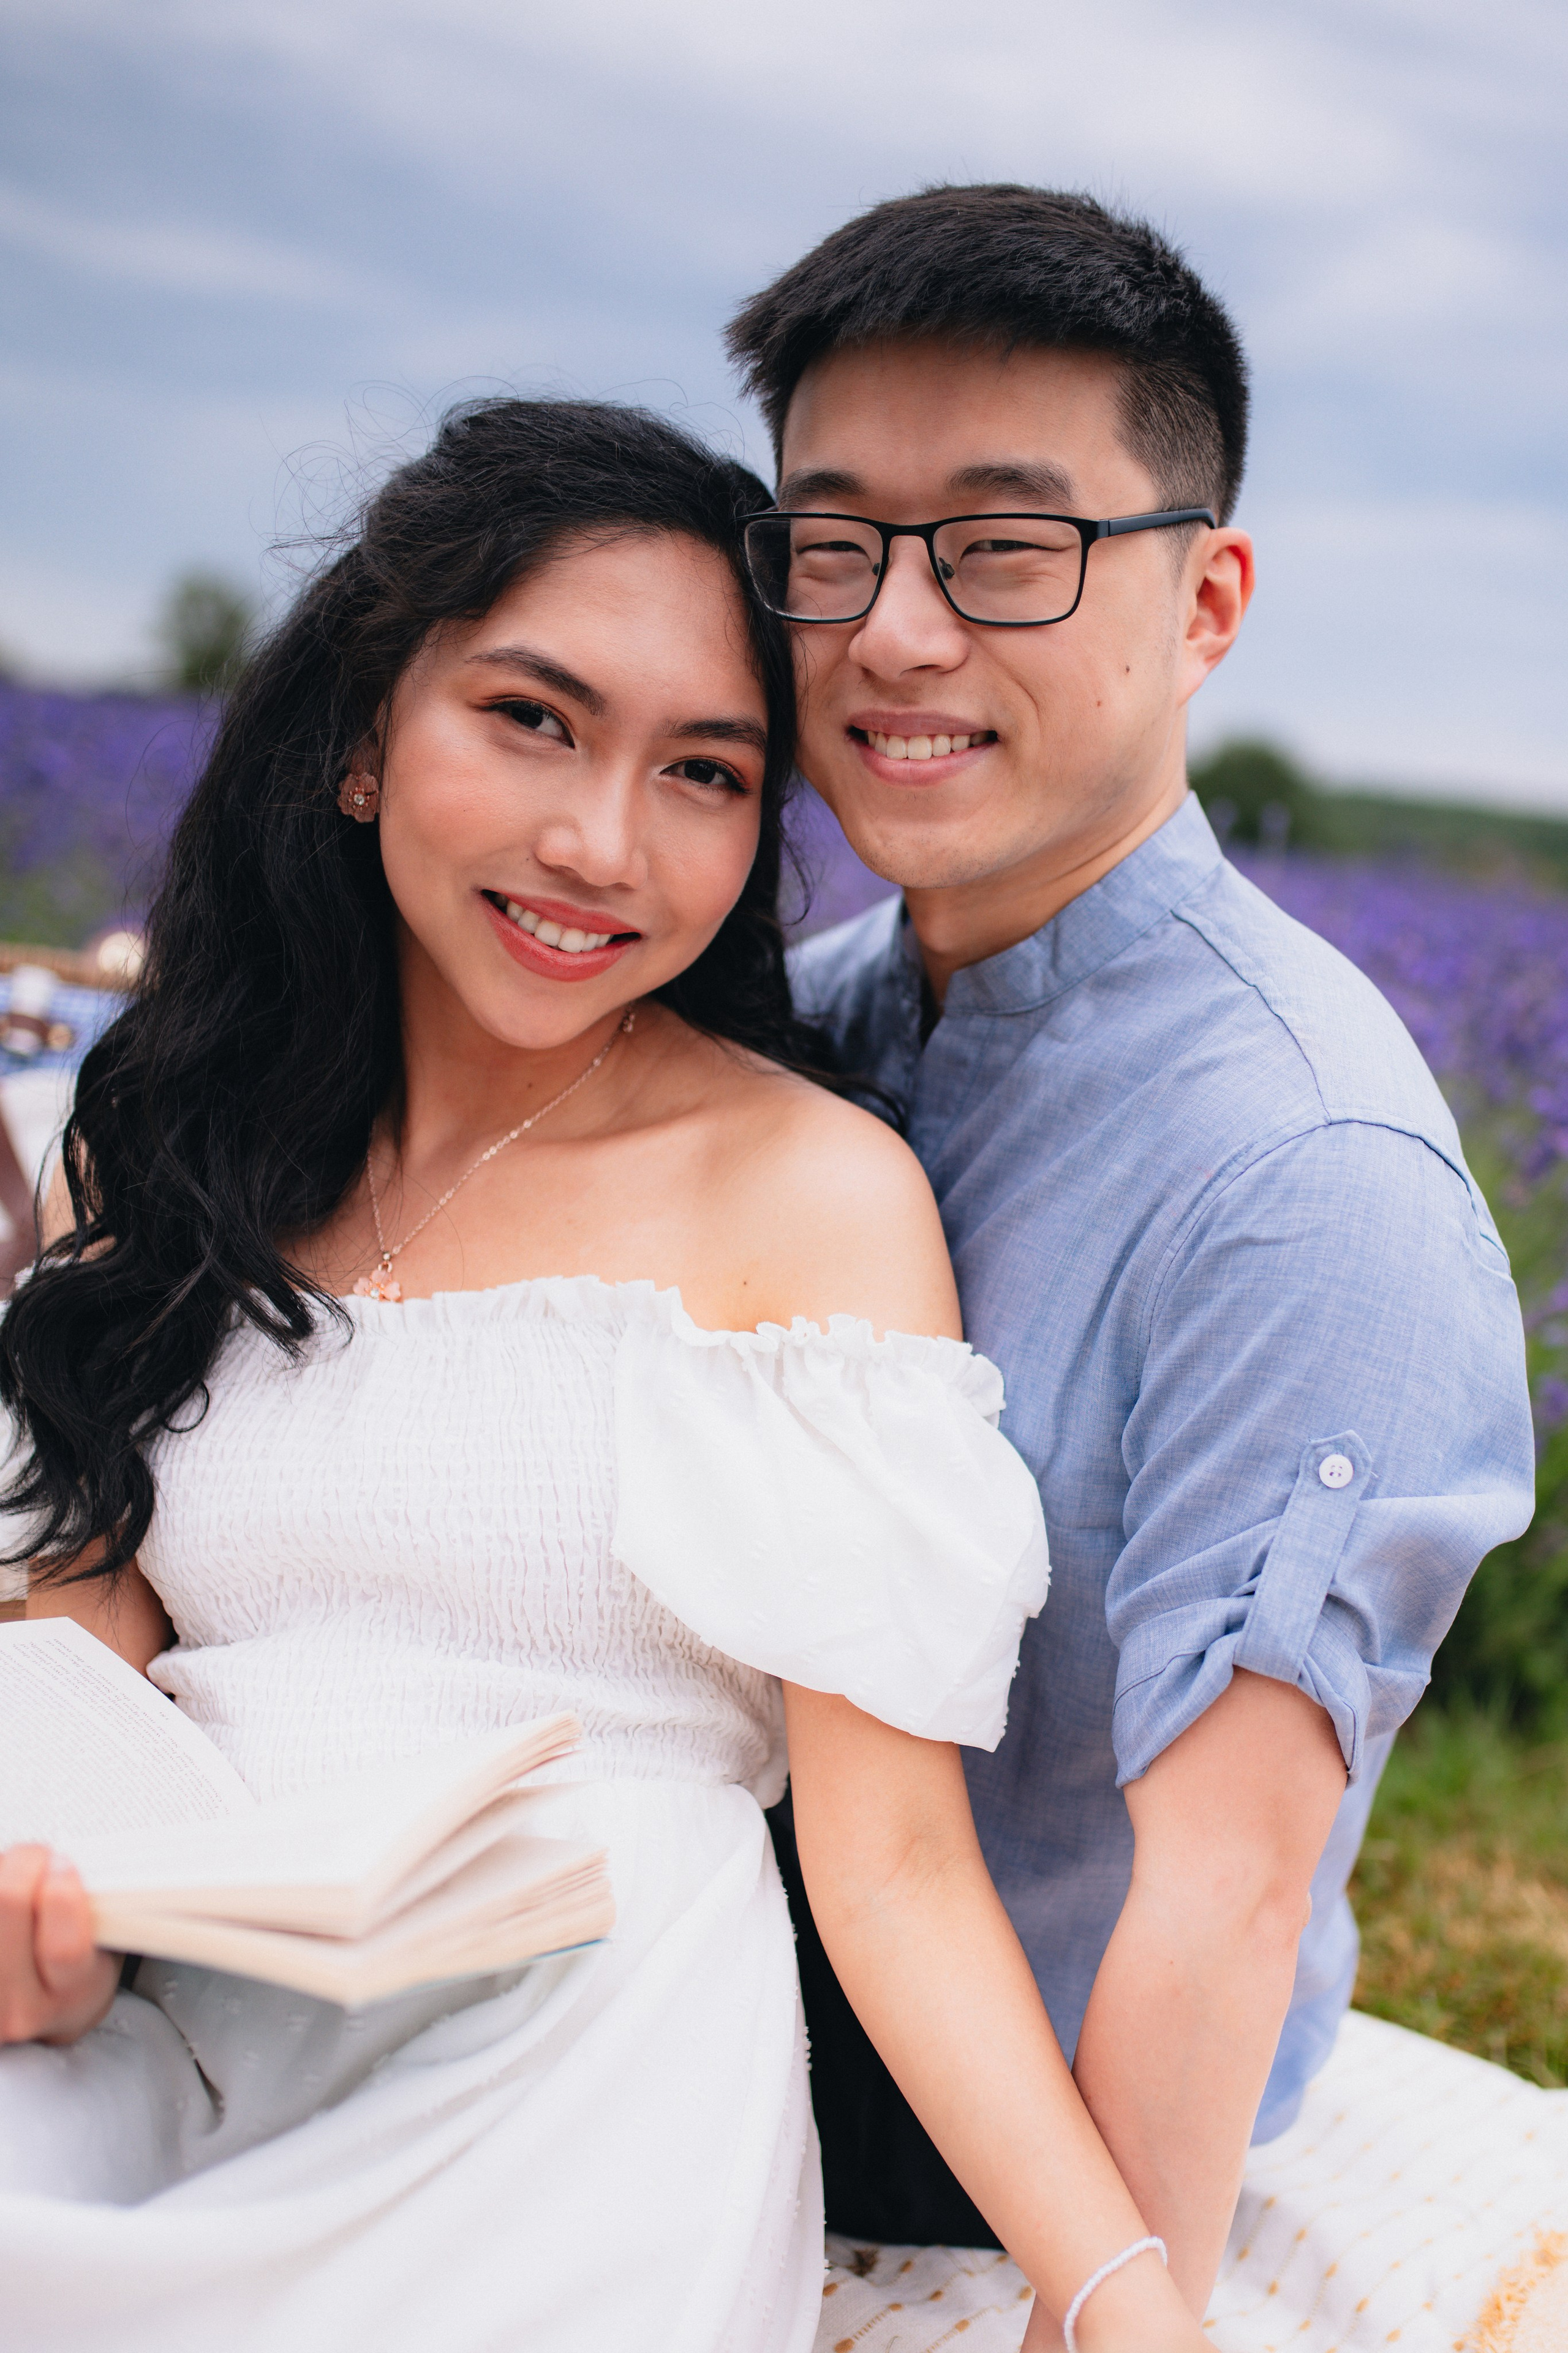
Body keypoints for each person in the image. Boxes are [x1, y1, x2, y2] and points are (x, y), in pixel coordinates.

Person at [0, 398, 1212, 2353]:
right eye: (533, 719)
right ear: (361, 736)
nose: (601, 844)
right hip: (184, 2031)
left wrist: (1120, 2293)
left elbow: (895, 1866)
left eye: (705, 771)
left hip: (584, 2071)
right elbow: (67, 1720)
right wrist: (44, 1943)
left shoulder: (808, 1195)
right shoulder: (165, 1153)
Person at [726, 184, 1537, 2326]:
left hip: (986, 2136)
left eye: (1007, 547)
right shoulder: (808, 1021)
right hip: (697, 2016)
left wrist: (1110, 2296)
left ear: (1206, 600)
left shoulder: (1303, 1170)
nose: (899, 634)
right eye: (834, 545)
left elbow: (1226, 1886)